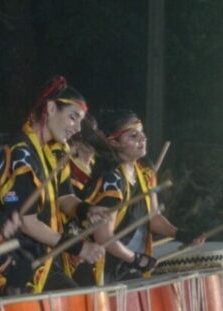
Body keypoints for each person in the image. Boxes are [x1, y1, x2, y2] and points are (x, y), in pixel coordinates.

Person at [0, 76, 104, 293]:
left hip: (43, 260)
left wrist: (85, 209)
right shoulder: (21, 154)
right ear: (50, 109)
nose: (78, 128)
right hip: (14, 264)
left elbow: (64, 198)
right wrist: (79, 247)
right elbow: (26, 223)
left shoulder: (53, 153)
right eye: (73, 118)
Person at [81, 111, 203, 284]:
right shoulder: (112, 179)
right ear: (114, 142)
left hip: (128, 265)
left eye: (142, 133)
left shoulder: (145, 175)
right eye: (133, 135)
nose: (142, 138)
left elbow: (152, 217)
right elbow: (103, 236)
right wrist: (136, 259)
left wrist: (180, 234)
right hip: (105, 266)